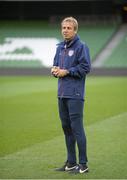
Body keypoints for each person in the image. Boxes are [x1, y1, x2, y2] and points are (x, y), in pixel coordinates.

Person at [51, 17, 91, 174]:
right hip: (61, 94)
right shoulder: (60, 47)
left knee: (77, 129)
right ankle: (71, 163)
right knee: (67, 129)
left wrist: (66, 71)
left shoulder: (81, 46)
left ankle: (83, 164)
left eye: (69, 28)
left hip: (75, 94)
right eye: (63, 27)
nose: (65, 30)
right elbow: (56, 65)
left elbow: (85, 67)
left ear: (75, 30)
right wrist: (55, 70)